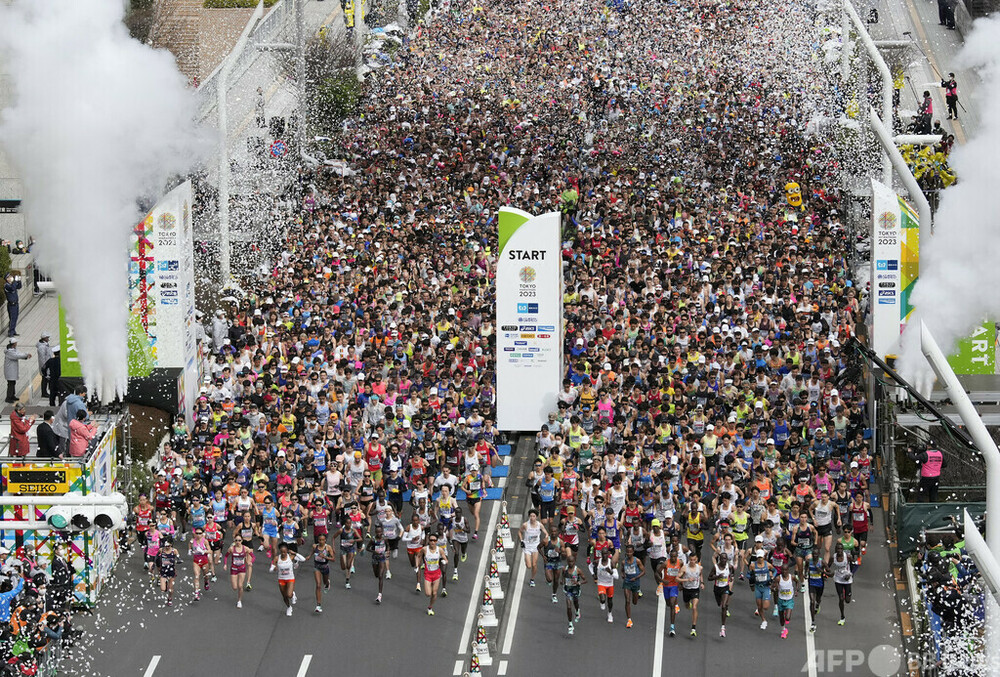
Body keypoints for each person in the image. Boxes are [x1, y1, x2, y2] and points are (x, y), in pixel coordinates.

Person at [416, 532, 447, 615]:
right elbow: (418, 556)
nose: (432, 542)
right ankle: (430, 604)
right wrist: (417, 566)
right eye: (431, 540)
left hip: (436, 574)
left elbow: (445, 558)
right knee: (428, 594)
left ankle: (430, 607)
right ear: (429, 541)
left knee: (434, 593)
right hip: (428, 574)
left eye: (434, 540)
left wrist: (444, 561)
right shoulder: (425, 549)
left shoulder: (439, 550)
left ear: (436, 541)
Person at [271, 542, 306, 616]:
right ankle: (289, 607)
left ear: (287, 550)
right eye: (281, 552)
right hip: (281, 579)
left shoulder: (291, 557)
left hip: (290, 578)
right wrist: (273, 568)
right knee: (284, 596)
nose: (283, 553)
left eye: (284, 551)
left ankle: (293, 594)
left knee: (289, 595)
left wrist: (295, 553)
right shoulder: (277, 558)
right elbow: (271, 568)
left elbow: (303, 559)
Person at [708, 551, 733, 637]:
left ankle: (723, 628)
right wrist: (717, 577)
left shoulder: (729, 566)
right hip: (717, 589)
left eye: (725, 558)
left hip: (725, 588)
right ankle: (723, 605)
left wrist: (731, 576)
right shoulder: (715, 568)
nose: (724, 560)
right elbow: (709, 578)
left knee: (723, 606)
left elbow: (732, 571)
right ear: (720, 559)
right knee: (719, 604)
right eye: (722, 559)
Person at [519, 509, 546, 587]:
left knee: (534, 564)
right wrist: (521, 541)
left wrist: (546, 537)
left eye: (533, 516)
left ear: (536, 517)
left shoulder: (539, 525)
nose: (532, 518)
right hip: (527, 546)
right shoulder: (525, 525)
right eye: (530, 516)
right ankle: (526, 560)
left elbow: (545, 532)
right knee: (529, 566)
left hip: (535, 546)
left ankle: (532, 579)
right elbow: (519, 532)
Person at [226, 533, 254, 608]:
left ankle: (239, 601)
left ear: (242, 540)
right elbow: (226, 556)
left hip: (242, 568)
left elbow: (252, 556)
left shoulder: (245, 548)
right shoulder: (232, 548)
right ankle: (239, 598)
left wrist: (250, 562)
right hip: (234, 568)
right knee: (235, 587)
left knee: (240, 585)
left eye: (239, 540)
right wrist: (225, 564)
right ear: (234, 541)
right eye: (236, 540)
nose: (238, 542)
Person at [621, 543, 645, 628]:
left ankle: (637, 593)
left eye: (630, 552)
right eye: (627, 552)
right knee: (627, 600)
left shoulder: (637, 561)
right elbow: (622, 570)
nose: (628, 554)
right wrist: (623, 574)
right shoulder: (624, 562)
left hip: (635, 582)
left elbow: (643, 571)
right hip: (627, 582)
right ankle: (629, 620)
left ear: (633, 552)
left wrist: (636, 578)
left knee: (634, 602)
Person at [830, 542, 854, 625]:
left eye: (841, 549)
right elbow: (828, 567)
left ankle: (847, 594)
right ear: (836, 550)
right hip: (838, 579)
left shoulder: (847, 557)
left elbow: (854, 566)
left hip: (847, 579)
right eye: (838, 549)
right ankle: (842, 617)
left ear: (843, 550)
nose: (839, 550)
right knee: (841, 598)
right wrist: (827, 573)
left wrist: (850, 574)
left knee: (847, 600)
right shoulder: (833, 557)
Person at [563, 557, 587, 635]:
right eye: (569, 561)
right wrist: (562, 581)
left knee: (575, 602)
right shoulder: (564, 569)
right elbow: (563, 576)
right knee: (569, 606)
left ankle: (577, 611)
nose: (570, 563)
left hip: (575, 590)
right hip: (568, 590)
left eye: (572, 562)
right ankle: (570, 625)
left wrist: (578, 583)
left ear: (574, 562)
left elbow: (585, 580)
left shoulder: (578, 570)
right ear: (567, 561)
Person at [311, 533, 335, 612]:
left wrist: (325, 557)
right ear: (318, 540)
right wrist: (309, 556)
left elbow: (333, 559)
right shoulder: (315, 546)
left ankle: (327, 583)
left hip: (325, 567)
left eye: (323, 540)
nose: (321, 541)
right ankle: (318, 605)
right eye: (320, 540)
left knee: (325, 583)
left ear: (325, 540)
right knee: (318, 585)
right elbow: (313, 552)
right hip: (317, 567)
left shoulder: (328, 548)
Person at [774, 565, 799, 639]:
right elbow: (773, 586)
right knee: (781, 617)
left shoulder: (792, 577)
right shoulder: (778, 578)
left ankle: (786, 614)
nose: (784, 572)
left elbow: (797, 582)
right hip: (781, 600)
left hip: (789, 600)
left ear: (788, 570)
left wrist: (796, 590)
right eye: (783, 570)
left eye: (785, 570)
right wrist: (774, 588)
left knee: (787, 618)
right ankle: (783, 630)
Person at [4, 337, 29, 403]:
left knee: (13, 383)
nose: (16, 344)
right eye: (16, 343)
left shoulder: (13, 349)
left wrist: (25, 356)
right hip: (10, 371)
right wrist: (26, 354)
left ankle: (12, 395)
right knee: (10, 384)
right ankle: (8, 397)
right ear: (14, 344)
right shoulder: (9, 352)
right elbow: (17, 356)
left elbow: (19, 354)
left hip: (12, 370)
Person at [157, 537, 180, 606]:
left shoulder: (174, 551)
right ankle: (165, 584)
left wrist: (179, 560)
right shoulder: (161, 550)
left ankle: (169, 598)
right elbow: (157, 557)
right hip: (163, 571)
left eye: (169, 546)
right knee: (163, 589)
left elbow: (179, 558)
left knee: (170, 588)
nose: (167, 547)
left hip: (171, 571)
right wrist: (157, 565)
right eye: (166, 546)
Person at [35, 332, 53, 398]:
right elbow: (42, 358)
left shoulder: (45, 345)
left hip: (47, 365)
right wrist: (44, 367)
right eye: (47, 337)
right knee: (45, 380)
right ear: (44, 338)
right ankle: (44, 393)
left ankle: (46, 392)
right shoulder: (41, 347)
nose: (48, 339)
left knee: (46, 379)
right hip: (45, 366)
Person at [4, 272, 21, 337]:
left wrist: (19, 281)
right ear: (7, 279)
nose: (11, 277)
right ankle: (10, 332)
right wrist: (14, 282)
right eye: (9, 277)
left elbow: (19, 287)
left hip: (16, 304)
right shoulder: (7, 285)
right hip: (11, 305)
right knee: (12, 318)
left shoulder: (12, 284)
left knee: (15, 318)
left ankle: (13, 331)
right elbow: (12, 288)